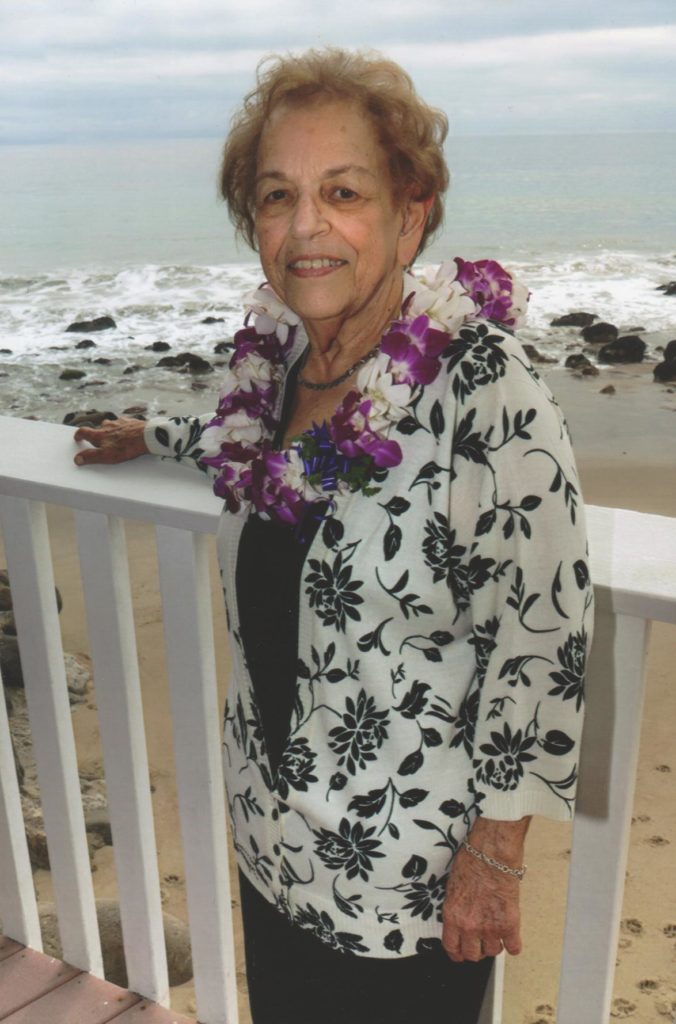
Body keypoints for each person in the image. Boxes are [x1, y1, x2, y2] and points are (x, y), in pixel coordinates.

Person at [73, 48, 593, 1024]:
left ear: (410, 212)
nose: (306, 225)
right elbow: (272, 476)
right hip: (273, 850)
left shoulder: (483, 389)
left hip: (405, 897)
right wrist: (157, 435)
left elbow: (545, 633)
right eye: (277, 196)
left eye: (341, 191)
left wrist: (496, 855)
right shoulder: (280, 371)